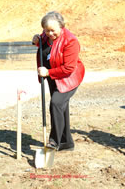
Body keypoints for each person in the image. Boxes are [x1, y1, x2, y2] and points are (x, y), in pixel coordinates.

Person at [32, 11, 85, 151]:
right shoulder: (45, 35)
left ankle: (54, 141)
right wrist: (37, 40)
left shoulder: (71, 41)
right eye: (46, 30)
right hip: (53, 77)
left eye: (53, 30)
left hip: (69, 78)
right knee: (61, 107)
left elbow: (68, 68)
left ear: (62, 27)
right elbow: (46, 48)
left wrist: (48, 72)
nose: (49, 33)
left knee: (56, 104)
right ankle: (66, 143)